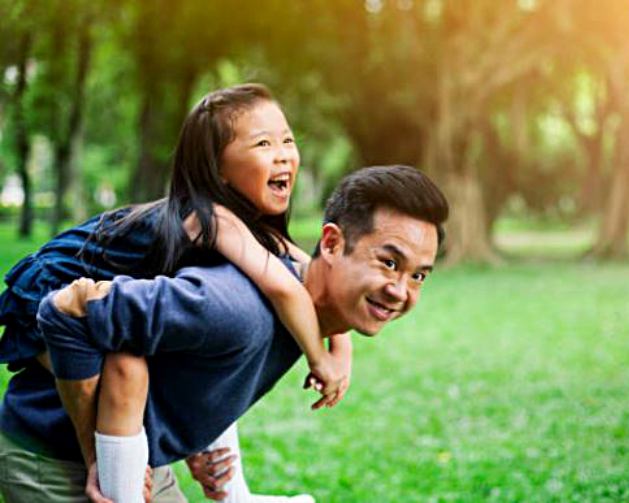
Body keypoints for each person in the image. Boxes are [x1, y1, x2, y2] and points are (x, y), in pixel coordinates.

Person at [0, 83, 352, 502]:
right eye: (263, 143)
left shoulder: (253, 230)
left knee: (167, 360)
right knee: (119, 367)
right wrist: (320, 360)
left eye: (288, 140)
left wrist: (340, 353)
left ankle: (230, 494)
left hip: (84, 296)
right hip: (47, 289)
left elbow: (311, 277)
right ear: (218, 169)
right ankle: (103, 469)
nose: (283, 154)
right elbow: (283, 288)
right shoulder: (209, 218)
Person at [38, 165, 448, 502]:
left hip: (139, 459)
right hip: (53, 459)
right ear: (332, 243)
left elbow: (190, 360)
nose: (401, 292)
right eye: (389, 263)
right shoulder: (234, 308)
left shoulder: (298, 310)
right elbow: (65, 312)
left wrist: (198, 437)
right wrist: (94, 455)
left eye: (418, 276)